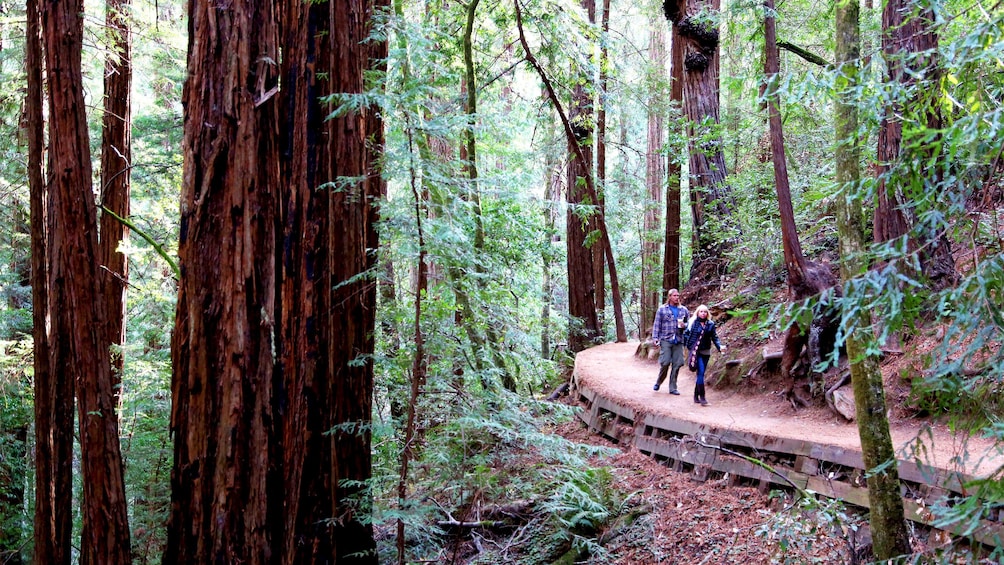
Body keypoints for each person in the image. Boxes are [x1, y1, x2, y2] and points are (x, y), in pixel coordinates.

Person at [683, 304, 725, 406]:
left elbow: (714, 337)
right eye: (701, 311)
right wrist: (688, 346)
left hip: (706, 351)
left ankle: (695, 395)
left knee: (700, 373)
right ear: (698, 312)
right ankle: (702, 397)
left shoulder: (710, 324)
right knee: (701, 372)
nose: (703, 313)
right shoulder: (692, 323)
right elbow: (686, 335)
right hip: (695, 352)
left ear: (707, 313)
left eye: (705, 312)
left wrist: (720, 347)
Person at [651, 289, 689, 395]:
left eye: (678, 295)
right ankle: (659, 381)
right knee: (665, 362)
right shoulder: (662, 309)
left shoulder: (683, 310)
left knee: (677, 364)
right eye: (674, 295)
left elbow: (688, 324)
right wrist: (655, 338)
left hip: (679, 339)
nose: (677, 297)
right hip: (666, 339)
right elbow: (657, 324)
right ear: (669, 296)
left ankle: (673, 388)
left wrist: (684, 325)